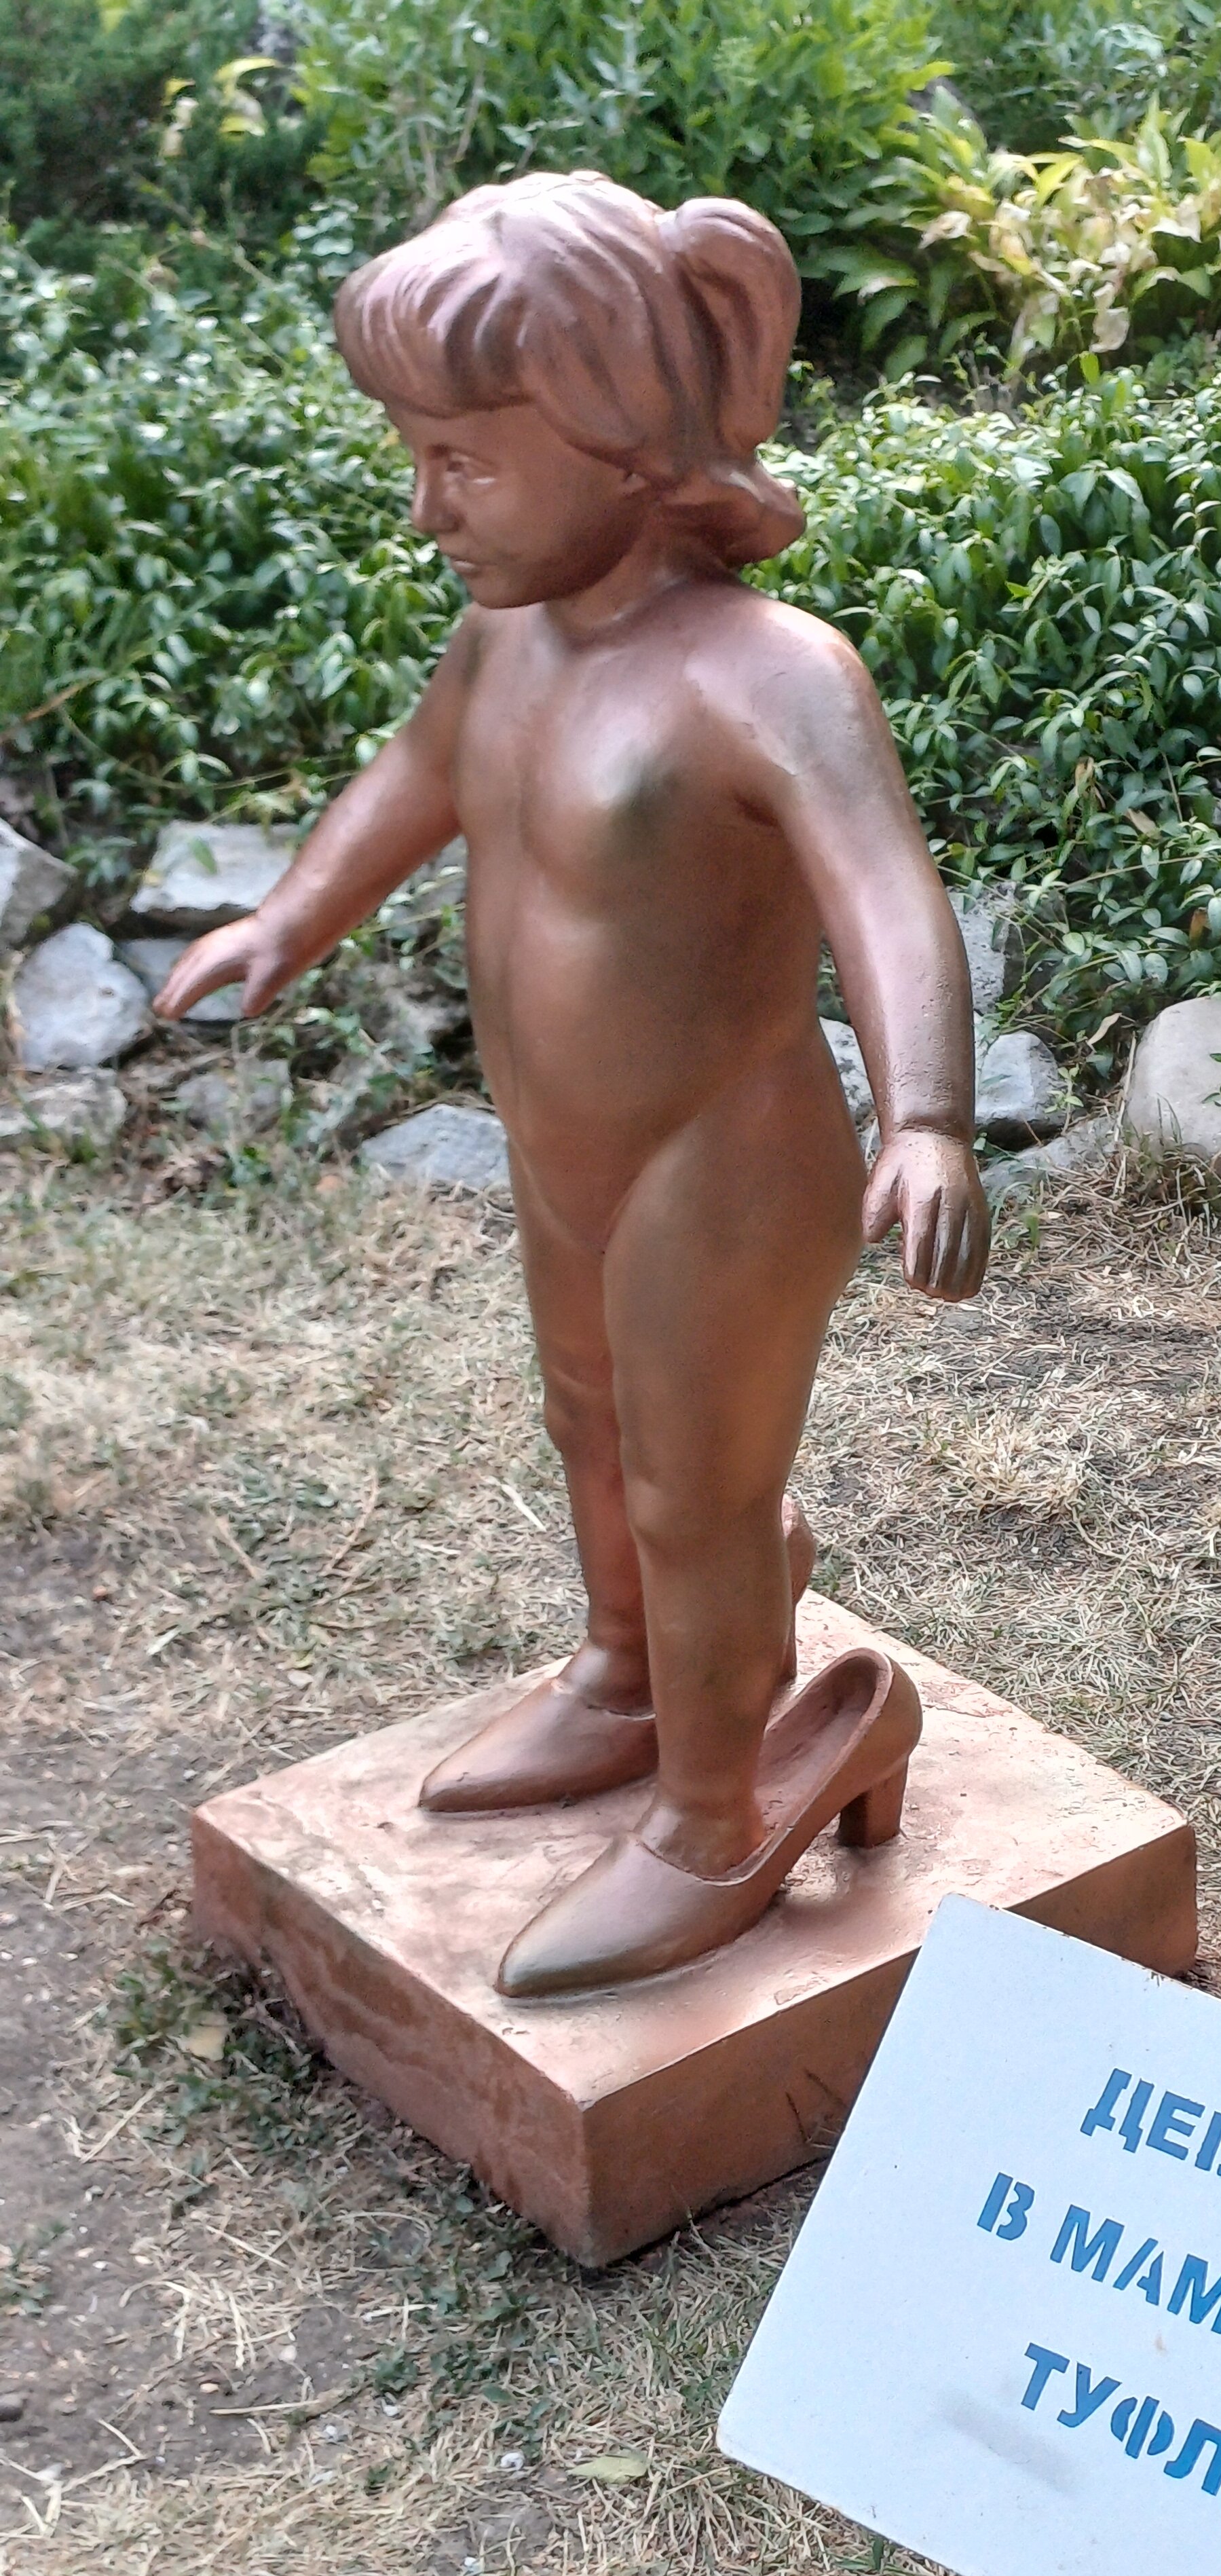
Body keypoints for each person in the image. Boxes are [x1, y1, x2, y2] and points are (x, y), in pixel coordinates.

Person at [157, 172, 989, 1997]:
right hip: (563, 1149)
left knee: (696, 1491)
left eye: (462, 460)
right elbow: (413, 780)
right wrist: (291, 913)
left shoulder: (771, 674)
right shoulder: (503, 644)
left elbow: (886, 893)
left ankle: (714, 1810)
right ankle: (632, 1676)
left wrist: (928, 1116)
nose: (425, 505)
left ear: (620, 442)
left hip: (723, 1161)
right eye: (417, 456)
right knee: (592, 1429)